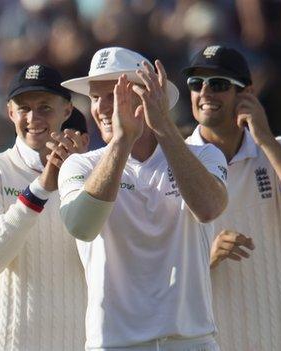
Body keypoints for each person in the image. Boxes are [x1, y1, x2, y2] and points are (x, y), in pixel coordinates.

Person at [58, 46, 229, 350]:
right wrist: (123, 141)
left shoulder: (204, 154)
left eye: (115, 95)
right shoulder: (79, 164)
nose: (101, 108)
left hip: (191, 341)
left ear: (149, 98)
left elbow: (209, 208)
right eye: (96, 98)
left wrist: (163, 125)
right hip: (114, 343)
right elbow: (81, 226)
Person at [182, 45, 281, 351]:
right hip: (210, 343)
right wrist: (206, 257)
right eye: (197, 84)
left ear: (247, 94)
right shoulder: (176, 160)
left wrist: (264, 139)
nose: (205, 92)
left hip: (278, 340)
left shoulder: (276, 149)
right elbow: (157, 269)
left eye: (219, 84)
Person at [0, 64, 89, 350]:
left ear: (66, 111)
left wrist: (77, 176)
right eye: (24, 108)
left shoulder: (91, 176)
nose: (33, 118)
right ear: (10, 113)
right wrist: (40, 188)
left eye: (45, 107)